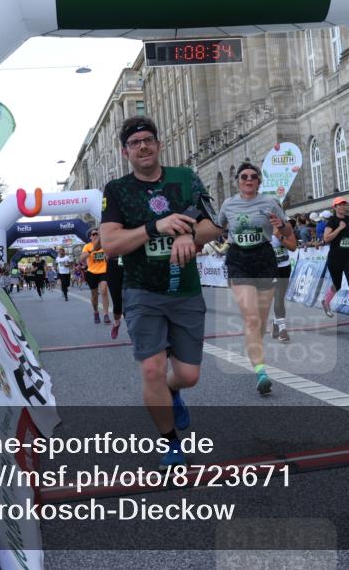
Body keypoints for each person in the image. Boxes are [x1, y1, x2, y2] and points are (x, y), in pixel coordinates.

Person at [99, 116, 222, 468]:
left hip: (185, 291)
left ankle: (172, 390)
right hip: (142, 291)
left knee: (188, 375)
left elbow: (214, 225)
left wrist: (188, 234)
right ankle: (170, 442)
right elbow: (111, 244)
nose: (143, 146)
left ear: (158, 144)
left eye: (148, 140)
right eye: (134, 143)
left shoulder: (185, 178)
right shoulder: (117, 190)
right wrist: (156, 227)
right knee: (152, 369)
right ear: (125, 152)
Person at [217, 162, 294, 395]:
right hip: (238, 260)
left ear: (259, 181)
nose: (248, 180)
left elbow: (288, 232)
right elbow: (217, 227)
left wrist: (281, 225)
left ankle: (254, 346)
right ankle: (261, 372)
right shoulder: (228, 205)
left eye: (253, 176)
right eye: (244, 177)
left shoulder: (270, 202)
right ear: (237, 181)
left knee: (260, 320)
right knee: (251, 318)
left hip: (263, 259)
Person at [319, 198, 349, 324]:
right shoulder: (332, 221)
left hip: (348, 255)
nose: (342, 207)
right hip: (335, 257)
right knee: (337, 284)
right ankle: (326, 302)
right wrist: (339, 228)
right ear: (335, 208)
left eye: (344, 204)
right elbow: (326, 238)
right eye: (339, 205)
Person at [270, 216, 298, 343]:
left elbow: (293, 247)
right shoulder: (263, 226)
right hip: (270, 268)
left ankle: (276, 323)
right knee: (278, 295)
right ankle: (282, 329)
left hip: (284, 267)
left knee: (280, 297)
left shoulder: (286, 227)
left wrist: (280, 237)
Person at [81, 230, 110, 323]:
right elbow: (81, 259)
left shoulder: (104, 244)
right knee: (94, 295)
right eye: (94, 234)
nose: (96, 235)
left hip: (104, 271)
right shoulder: (87, 246)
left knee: (104, 291)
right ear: (90, 237)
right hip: (92, 273)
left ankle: (106, 315)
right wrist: (93, 249)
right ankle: (96, 312)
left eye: (98, 233)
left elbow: (109, 256)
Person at [105, 253, 124, 340]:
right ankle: (116, 323)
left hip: (131, 262)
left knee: (133, 298)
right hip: (114, 264)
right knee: (117, 302)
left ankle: (134, 329)